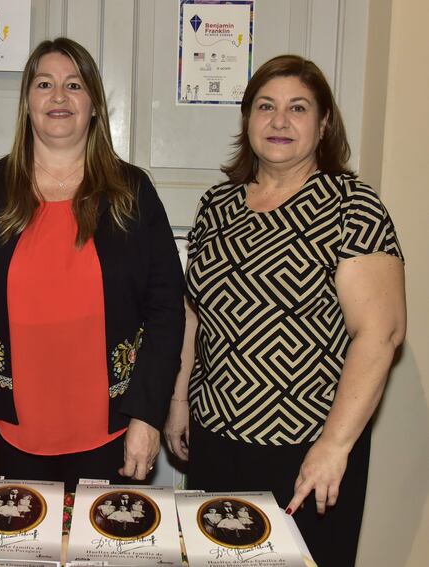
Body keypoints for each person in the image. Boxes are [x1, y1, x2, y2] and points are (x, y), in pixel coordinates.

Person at [164, 54, 406, 566]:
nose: (279, 121)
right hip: (215, 442)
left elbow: (379, 334)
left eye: (298, 108)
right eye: (265, 106)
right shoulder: (217, 205)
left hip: (306, 451)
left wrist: (334, 446)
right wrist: (180, 400)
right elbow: (195, 314)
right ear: (247, 119)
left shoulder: (352, 206)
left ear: (322, 125)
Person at [0, 37, 185, 492]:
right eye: (44, 84)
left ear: (93, 105)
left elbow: (166, 310)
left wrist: (148, 416)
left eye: (74, 85)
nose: (58, 97)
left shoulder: (132, 191)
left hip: (113, 430)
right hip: (4, 429)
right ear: (27, 103)